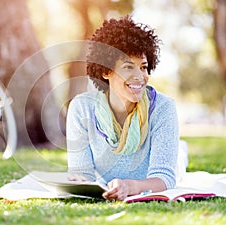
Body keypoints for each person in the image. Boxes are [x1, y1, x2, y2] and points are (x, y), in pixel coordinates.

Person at [66, 15, 186, 201]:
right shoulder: (82, 108)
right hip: (114, 185)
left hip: (161, 172)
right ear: (106, 71)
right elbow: (82, 174)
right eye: (129, 67)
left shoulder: (163, 108)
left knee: (176, 162)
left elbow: (165, 177)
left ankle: (180, 150)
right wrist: (79, 181)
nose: (140, 76)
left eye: (144, 67)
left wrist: (130, 186)